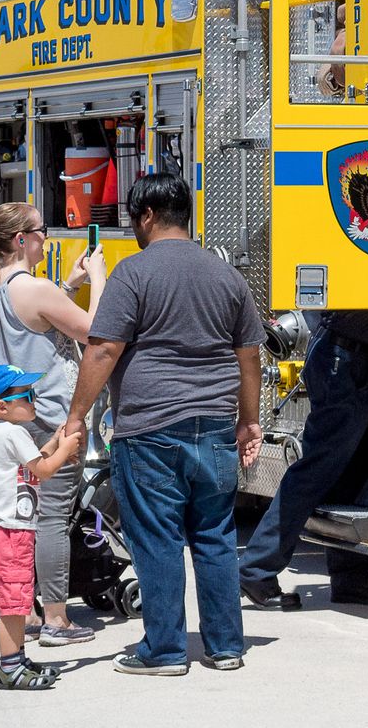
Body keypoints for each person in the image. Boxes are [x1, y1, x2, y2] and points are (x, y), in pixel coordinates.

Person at [65, 172, 264, 676]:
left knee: (156, 538)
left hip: (150, 428)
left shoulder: (133, 274)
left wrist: (75, 417)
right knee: (216, 536)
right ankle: (225, 646)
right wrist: (249, 423)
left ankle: (165, 651)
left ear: (148, 216)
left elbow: (104, 348)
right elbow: (249, 360)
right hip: (216, 426)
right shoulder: (227, 277)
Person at [0, 201, 105, 646]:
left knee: (20, 517)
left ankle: (23, 610)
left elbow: (36, 323)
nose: (48, 237)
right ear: (21, 240)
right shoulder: (35, 288)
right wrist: (99, 279)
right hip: (51, 420)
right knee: (52, 519)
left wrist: (70, 284)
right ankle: (57, 617)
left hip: (14, 422)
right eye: (41, 230)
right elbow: (97, 331)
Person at [239, 310, 368, 610]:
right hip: (344, 358)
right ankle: (256, 569)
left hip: (353, 357)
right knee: (317, 469)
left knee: (349, 470)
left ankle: (349, 577)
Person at [0, 364, 84, 690]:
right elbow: (46, 470)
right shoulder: (13, 433)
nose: (33, 399)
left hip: (9, 531)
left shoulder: (1, 434)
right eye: (26, 395)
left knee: (18, 601)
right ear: (2, 406)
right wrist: (65, 449)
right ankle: (10, 669)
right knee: (12, 607)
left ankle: (18, 660)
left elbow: (34, 461)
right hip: (11, 533)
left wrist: (52, 442)